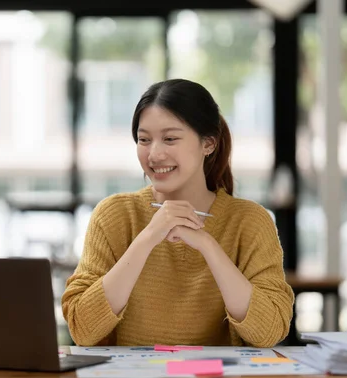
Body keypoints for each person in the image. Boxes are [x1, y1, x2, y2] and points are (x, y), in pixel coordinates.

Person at [62, 79, 294, 347]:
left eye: (170, 139)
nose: (154, 154)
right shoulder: (114, 215)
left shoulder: (250, 221)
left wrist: (207, 244)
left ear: (208, 144)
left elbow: (270, 332)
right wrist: (148, 237)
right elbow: (82, 329)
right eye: (144, 140)